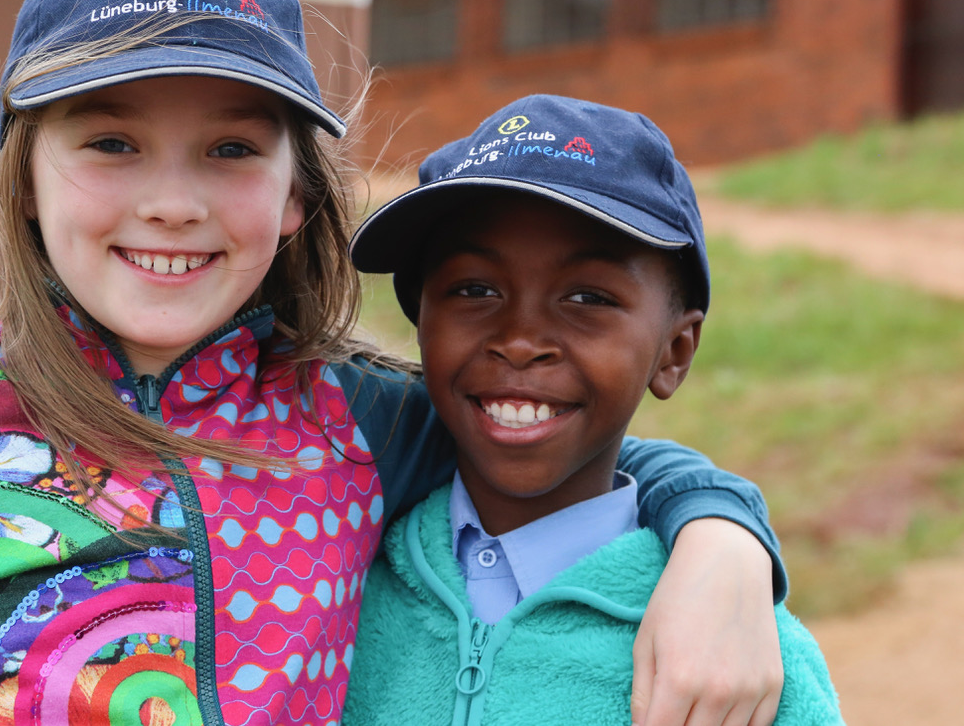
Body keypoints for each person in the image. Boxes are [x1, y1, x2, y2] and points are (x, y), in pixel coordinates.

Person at [0, 0, 782, 726]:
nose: (173, 202)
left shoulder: (361, 424)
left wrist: (723, 545)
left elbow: (568, 433)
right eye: (111, 142)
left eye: (229, 149)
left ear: (299, 196)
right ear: (25, 179)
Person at [341, 94, 842, 725]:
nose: (520, 340)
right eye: (474, 289)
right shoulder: (332, 574)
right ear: (422, 322)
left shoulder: (741, 661)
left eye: (587, 297)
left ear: (674, 352)